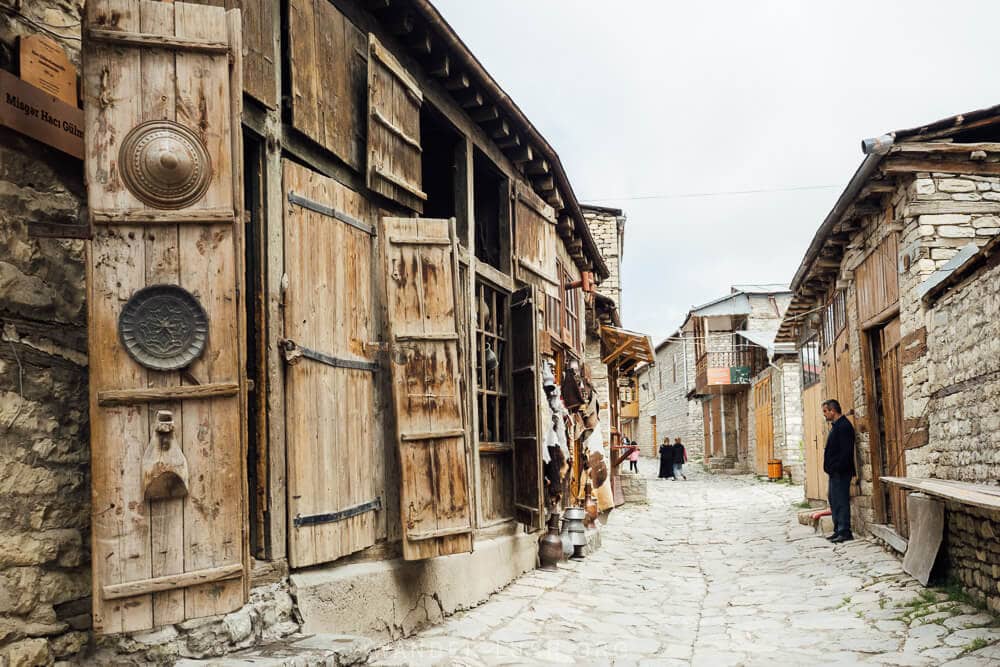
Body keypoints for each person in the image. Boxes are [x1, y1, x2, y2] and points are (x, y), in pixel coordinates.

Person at [822, 399, 855, 543]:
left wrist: (836, 467)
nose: (824, 415)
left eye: (825, 411)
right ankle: (838, 530)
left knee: (841, 501)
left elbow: (846, 452)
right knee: (834, 500)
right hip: (835, 473)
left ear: (832, 410)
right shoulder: (836, 426)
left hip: (841, 472)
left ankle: (844, 531)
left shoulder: (844, 426)